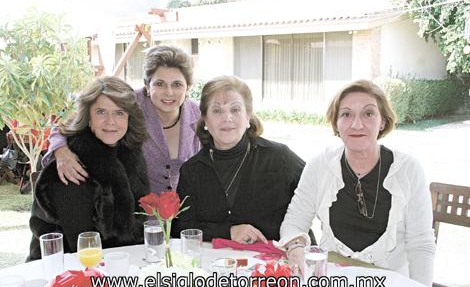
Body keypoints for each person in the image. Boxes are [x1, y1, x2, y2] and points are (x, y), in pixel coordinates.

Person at [278, 80, 435, 285]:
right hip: (334, 285)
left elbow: (421, 245)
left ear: (383, 121)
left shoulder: (408, 169)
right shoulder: (320, 166)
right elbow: (294, 222)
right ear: (336, 123)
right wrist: (295, 246)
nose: (356, 124)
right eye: (346, 114)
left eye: (368, 114)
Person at [43, 45, 200, 193]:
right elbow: (67, 127)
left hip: (186, 212)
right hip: (138, 213)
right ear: (147, 85)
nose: (169, 92)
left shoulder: (199, 114)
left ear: (188, 87)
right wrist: (61, 152)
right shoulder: (127, 103)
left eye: (177, 84)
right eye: (160, 84)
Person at [171, 75, 305, 244]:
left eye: (235, 110)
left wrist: (296, 241)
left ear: (248, 116)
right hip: (213, 265)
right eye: (217, 110)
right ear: (205, 119)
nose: (227, 118)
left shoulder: (280, 158)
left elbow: (313, 199)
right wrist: (228, 232)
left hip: (274, 264)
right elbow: (181, 228)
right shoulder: (192, 170)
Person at [28, 76, 150, 260]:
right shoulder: (71, 168)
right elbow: (81, 249)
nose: (111, 121)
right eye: (101, 112)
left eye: (119, 112)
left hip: (119, 263)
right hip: (65, 273)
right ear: (88, 117)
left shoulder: (128, 153)